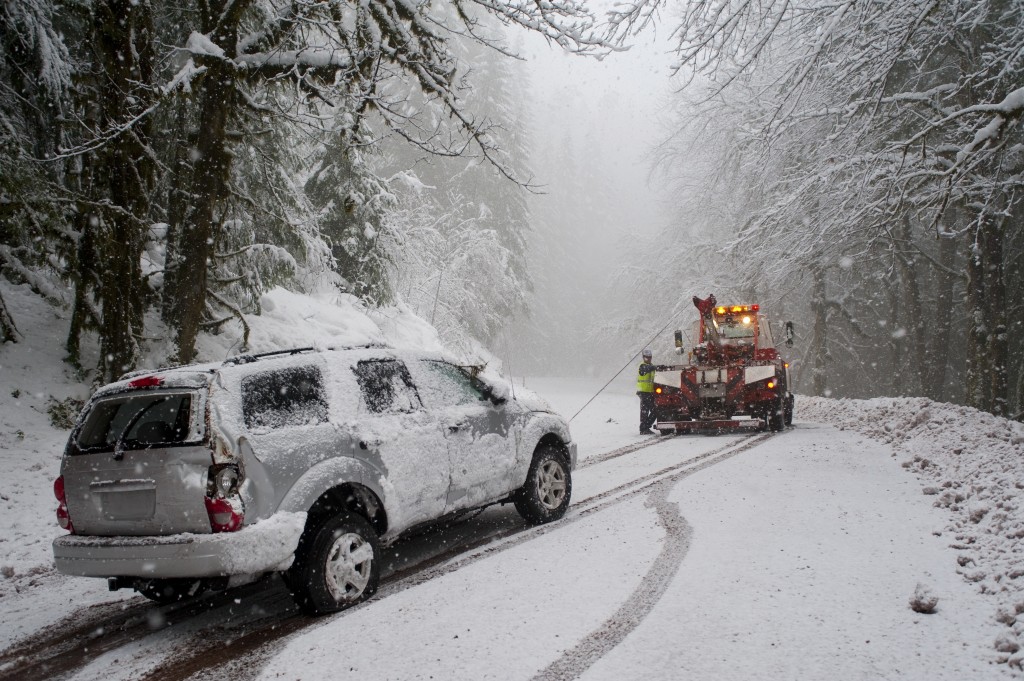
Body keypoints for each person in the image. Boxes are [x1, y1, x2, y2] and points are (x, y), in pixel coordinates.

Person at [636, 348, 669, 434]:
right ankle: (645, 427)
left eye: (650, 357)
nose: (649, 359)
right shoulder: (642, 366)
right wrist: (655, 367)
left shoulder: (651, 366)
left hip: (649, 392)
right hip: (643, 392)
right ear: (643, 357)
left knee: (647, 410)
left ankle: (644, 428)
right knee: (652, 410)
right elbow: (647, 369)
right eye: (647, 357)